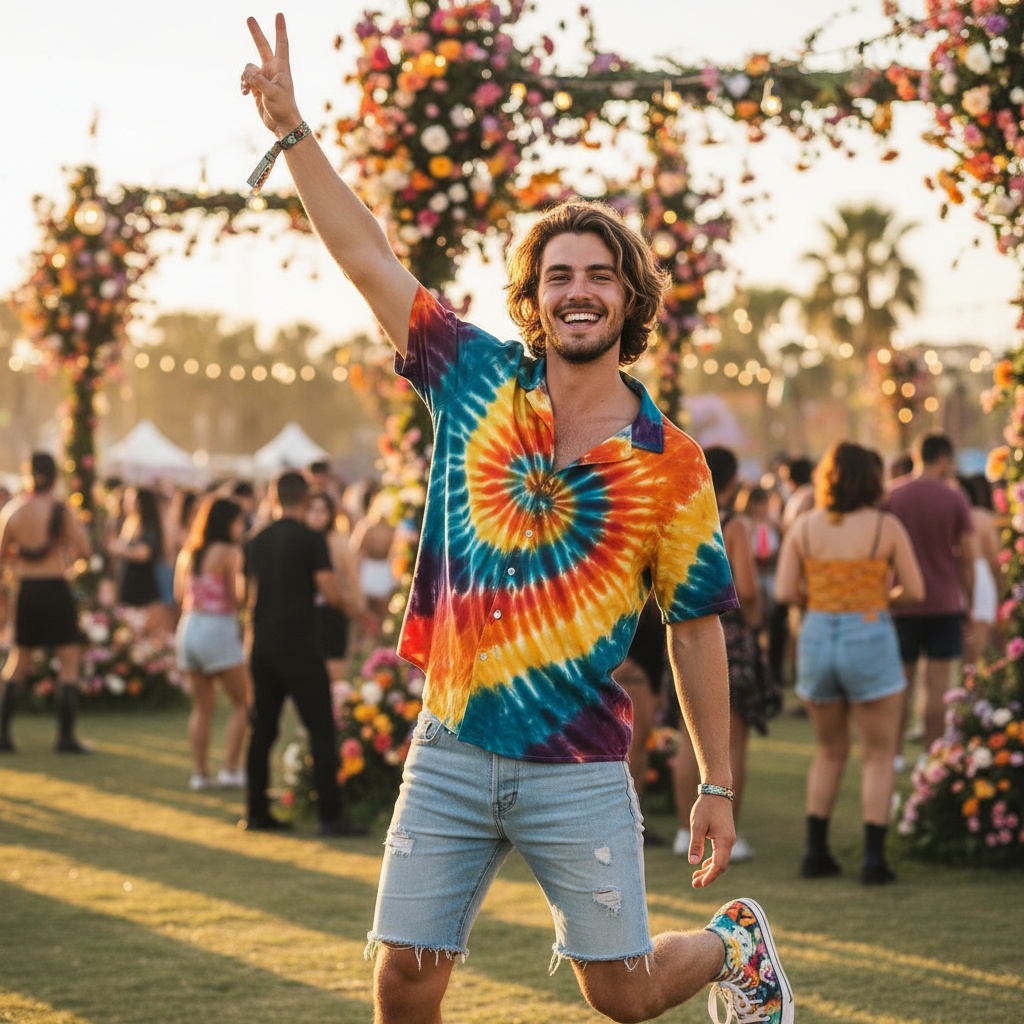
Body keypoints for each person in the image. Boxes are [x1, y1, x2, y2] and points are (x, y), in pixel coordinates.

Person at [240, 17, 794, 1024]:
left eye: (598, 276)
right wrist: (293, 134)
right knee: (404, 980)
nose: (578, 292)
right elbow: (368, 258)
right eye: (559, 277)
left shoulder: (669, 463)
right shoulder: (474, 377)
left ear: (630, 301)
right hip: (448, 743)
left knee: (620, 996)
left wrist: (715, 780)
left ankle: (730, 945)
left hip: (577, 761)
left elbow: (698, 620)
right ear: (534, 301)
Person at [776, 441, 924, 883]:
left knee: (829, 750)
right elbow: (915, 591)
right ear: (872, 480)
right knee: (878, 754)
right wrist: (879, 597)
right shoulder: (886, 526)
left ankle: (814, 852)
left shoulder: (804, 526)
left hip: (818, 633)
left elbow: (785, 592)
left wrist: (821, 600)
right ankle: (874, 860)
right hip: (869, 630)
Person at [672, 448, 782, 865]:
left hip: (681, 628)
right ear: (733, 480)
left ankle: (687, 831)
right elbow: (749, 589)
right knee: (727, 736)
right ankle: (722, 827)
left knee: (689, 733)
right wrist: (754, 621)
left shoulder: (680, 513)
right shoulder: (733, 525)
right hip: (726, 634)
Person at [241, 470, 364, 837]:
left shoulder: (255, 540)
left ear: (275, 497)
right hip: (299, 641)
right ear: (306, 501)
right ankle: (330, 816)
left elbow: (243, 594)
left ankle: (256, 811)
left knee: (262, 729)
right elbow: (329, 590)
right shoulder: (311, 539)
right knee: (321, 728)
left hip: (262, 640)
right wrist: (351, 608)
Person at [884, 432, 975, 755]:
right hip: (944, 602)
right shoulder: (955, 498)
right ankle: (930, 754)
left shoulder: (892, 494)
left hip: (901, 600)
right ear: (943, 459)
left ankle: (894, 755)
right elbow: (966, 556)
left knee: (900, 687)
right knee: (938, 688)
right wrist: (971, 601)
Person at [0, 452, 93, 753]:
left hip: (26, 590)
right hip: (56, 589)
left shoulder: (12, 511)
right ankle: (65, 738)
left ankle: (3, 735)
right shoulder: (60, 511)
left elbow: (3, 555)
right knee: (68, 665)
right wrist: (61, 555)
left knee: (17, 663)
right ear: (54, 477)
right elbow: (84, 550)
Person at [174, 495, 250, 791]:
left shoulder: (188, 552)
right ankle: (230, 768)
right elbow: (237, 595)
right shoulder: (228, 552)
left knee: (202, 708)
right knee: (244, 702)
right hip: (217, 627)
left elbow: (180, 596)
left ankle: (200, 773)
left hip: (189, 627)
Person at [305, 490, 367, 681]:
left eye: (322, 510)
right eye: (312, 510)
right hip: (305, 613)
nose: (316, 515)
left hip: (334, 611)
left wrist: (360, 608)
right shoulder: (300, 538)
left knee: (334, 673)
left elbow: (352, 577)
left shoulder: (338, 541)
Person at [958, 473, 1002, 666]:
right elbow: (995, 557)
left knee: (964, 645)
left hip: (958, 574)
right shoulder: (985, 517)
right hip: (982, 576)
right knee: (980, 642)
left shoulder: (962, 516)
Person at [109, 486, 164, 628]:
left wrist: (120, 550)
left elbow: (145, 553)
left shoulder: (148, 524)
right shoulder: (129, 522)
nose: (127, 503)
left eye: (131, 499)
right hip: (127, 583)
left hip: (142, 584)